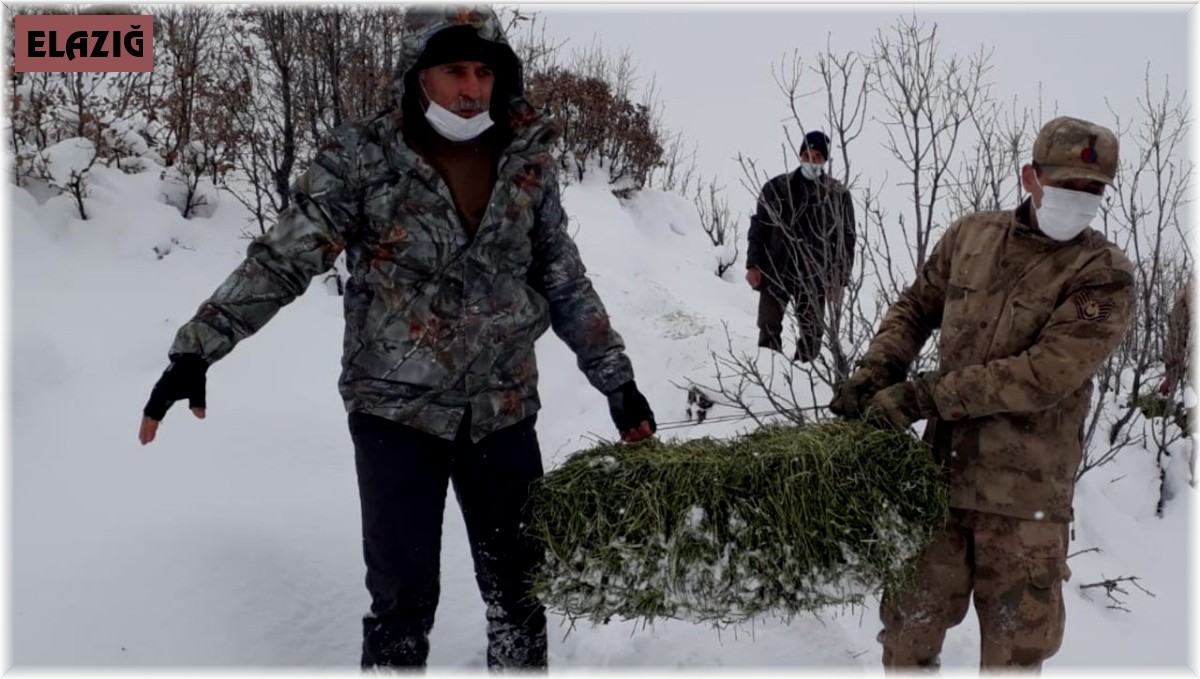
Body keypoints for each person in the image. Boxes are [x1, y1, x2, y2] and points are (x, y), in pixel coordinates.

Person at [138, 5, 656, 670]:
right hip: (395, 415)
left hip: (502, 412)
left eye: (483, 71)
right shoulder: (361, 158)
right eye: (454, 70)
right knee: (401, 606)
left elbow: (563, 277)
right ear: (417, 73)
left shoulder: (527, 160)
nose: (472, 87)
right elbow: (284, 258)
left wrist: (617, 380)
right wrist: (197, 347)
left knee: (521, 597)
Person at [829, 116, 1136, 671]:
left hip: (1025, 510)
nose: (1081, 199)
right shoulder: (972, 237)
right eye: (1068, 185)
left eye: (1094, 190)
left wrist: (923, 397)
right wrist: (878, 369)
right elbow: (916, 306)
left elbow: (1044, 374)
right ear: (1031, 177)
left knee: (1015, 659)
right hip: (936, 490)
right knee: (906, 640)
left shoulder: (1104, 274)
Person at [745, 130, 856, 363]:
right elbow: (758, 229)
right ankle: (769, 377)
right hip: (776, 269)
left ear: (824, 160)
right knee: (768, 327)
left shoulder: (837, 195)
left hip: (815, 275)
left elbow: (846, 240)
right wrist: (753, 264)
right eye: (806, 155)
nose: (811, 161)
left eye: (817, 156)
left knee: (812, 334)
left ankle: (803, 381)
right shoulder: (776, 188)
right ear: (799, 155)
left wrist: (838, 279)